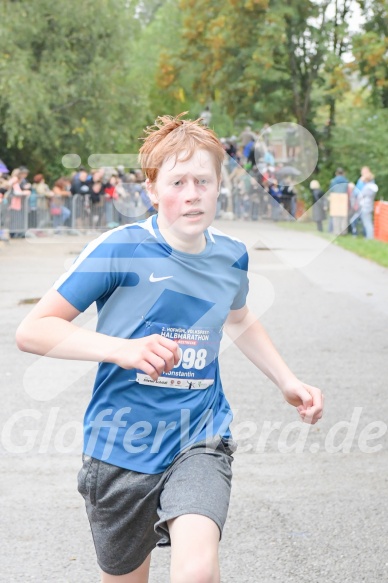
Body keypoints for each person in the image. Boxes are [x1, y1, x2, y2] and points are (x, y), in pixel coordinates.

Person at [16, 113, 323, 583]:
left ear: (220, 186)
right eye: (178, 181)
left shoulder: (231, 255)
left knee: (197, 570)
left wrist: (287, 379)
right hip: (120, 446)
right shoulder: (120, 249)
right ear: (153, 190)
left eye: (204, 180)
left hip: (198, 437)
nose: (192, 193)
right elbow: (33, 330)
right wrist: (123, 349)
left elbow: (238, 318)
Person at [358, 170, 378, 239]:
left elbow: (360, 195)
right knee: (368, 222)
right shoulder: (373, 187)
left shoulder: (367, 187)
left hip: (365, 206)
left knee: (367, 223)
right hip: (369, 206)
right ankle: (369, 236)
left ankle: (369, 237)